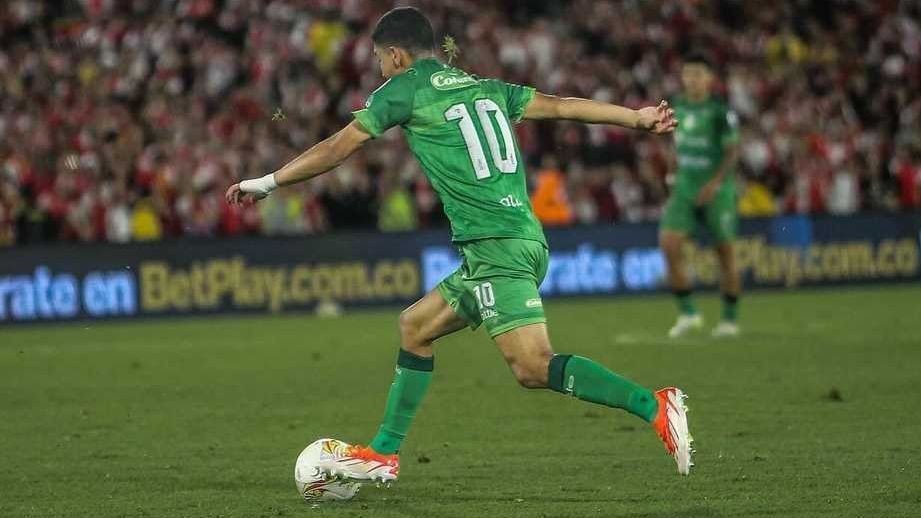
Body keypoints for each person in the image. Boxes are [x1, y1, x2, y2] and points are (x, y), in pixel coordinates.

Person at [226, 7, 692, 483]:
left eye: (378, 59)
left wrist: (269, 181)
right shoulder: (484, 86)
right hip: (518, 239)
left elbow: (337, 148)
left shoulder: (405, 88)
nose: (378, 69)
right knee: (415, 327)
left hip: (496, 246)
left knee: (532, 366)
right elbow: (561, 104)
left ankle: (653, 404)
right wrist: (635, 119)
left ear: (396, 54)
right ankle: (383, 454)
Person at [660, 52, 742, 338]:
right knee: (669, 244)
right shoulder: (677, 106)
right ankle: (688, 313)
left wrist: (715, 184)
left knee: (725, 252)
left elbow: (732, 152)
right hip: (684, 186)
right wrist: (671, 174)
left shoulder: (720, 112)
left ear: (710, 79)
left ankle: (730, 319)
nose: (692, 79)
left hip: (717, 189)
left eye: (698, 73)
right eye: (687, 73)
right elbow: (674, 143)